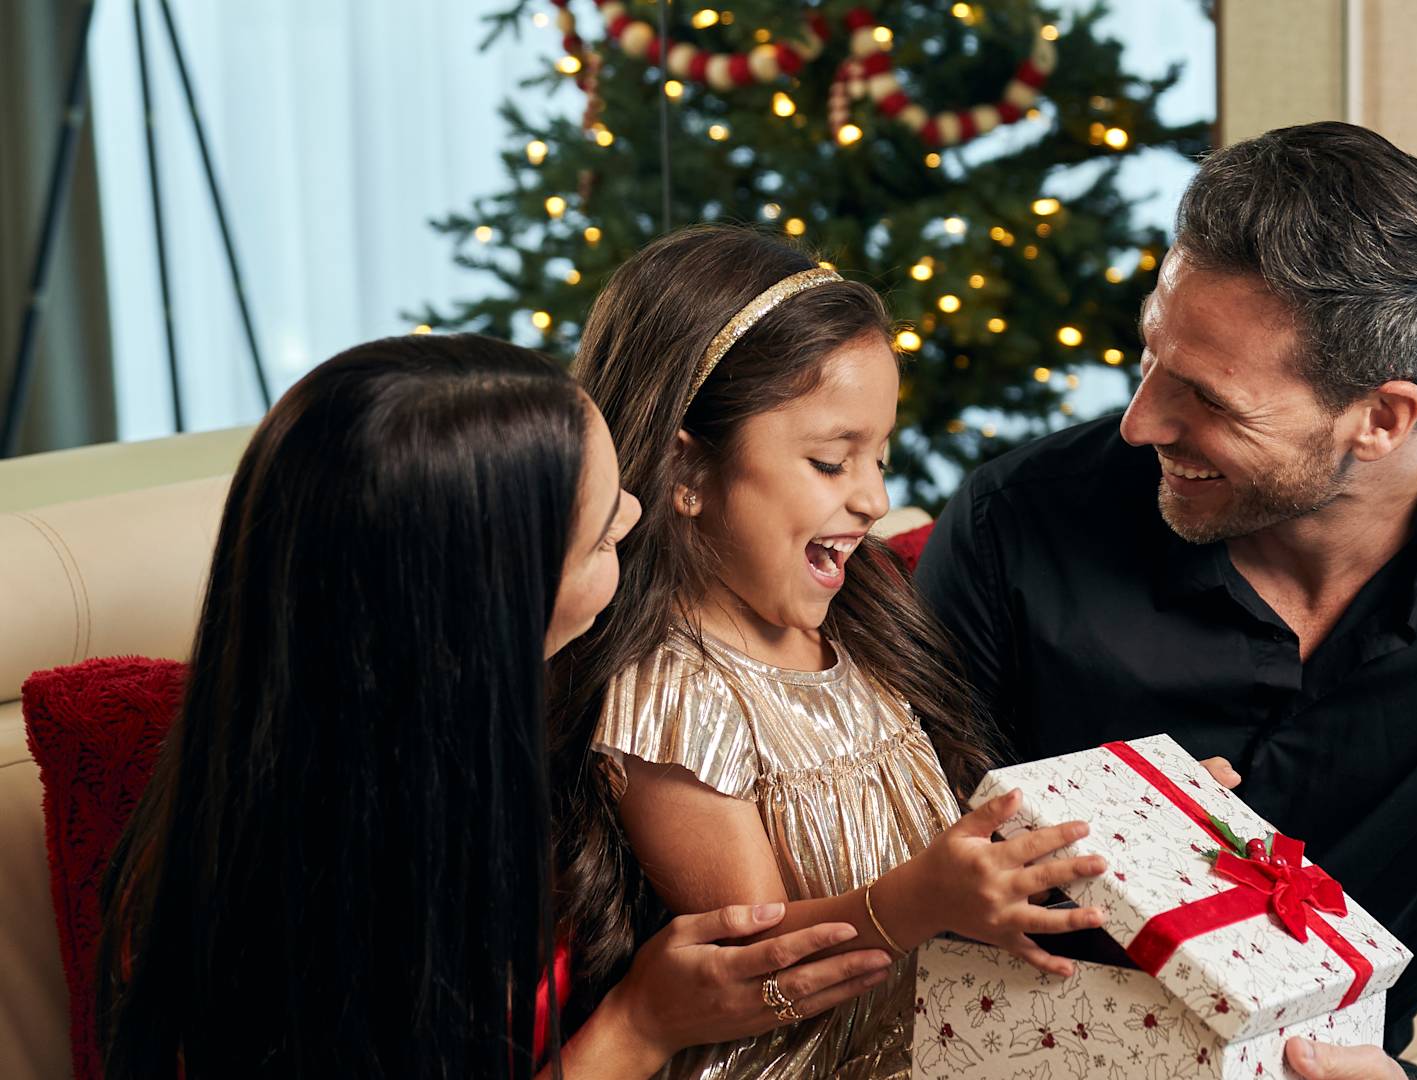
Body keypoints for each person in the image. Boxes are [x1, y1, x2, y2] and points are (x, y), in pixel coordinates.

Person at [917, 122, 1417, 1080]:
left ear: (1382, 418)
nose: (1141, 419)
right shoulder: (1013, 527)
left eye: (1210, 399)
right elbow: (905, 873)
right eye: (1152, 355)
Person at [96, 335, 897, 1079]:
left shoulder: (517, 730)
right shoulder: (307, 901)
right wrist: (639, 1025)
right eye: (599, 539)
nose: (636, 512)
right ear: (491, 606)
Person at [548, 225, 1109, 1079]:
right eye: (830, 460)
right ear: (683, 470)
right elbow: (757, 964)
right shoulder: (671, 692)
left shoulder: (862, 622)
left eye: (879, 455)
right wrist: (926, 898)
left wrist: (1124, 803)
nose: (874, 496)